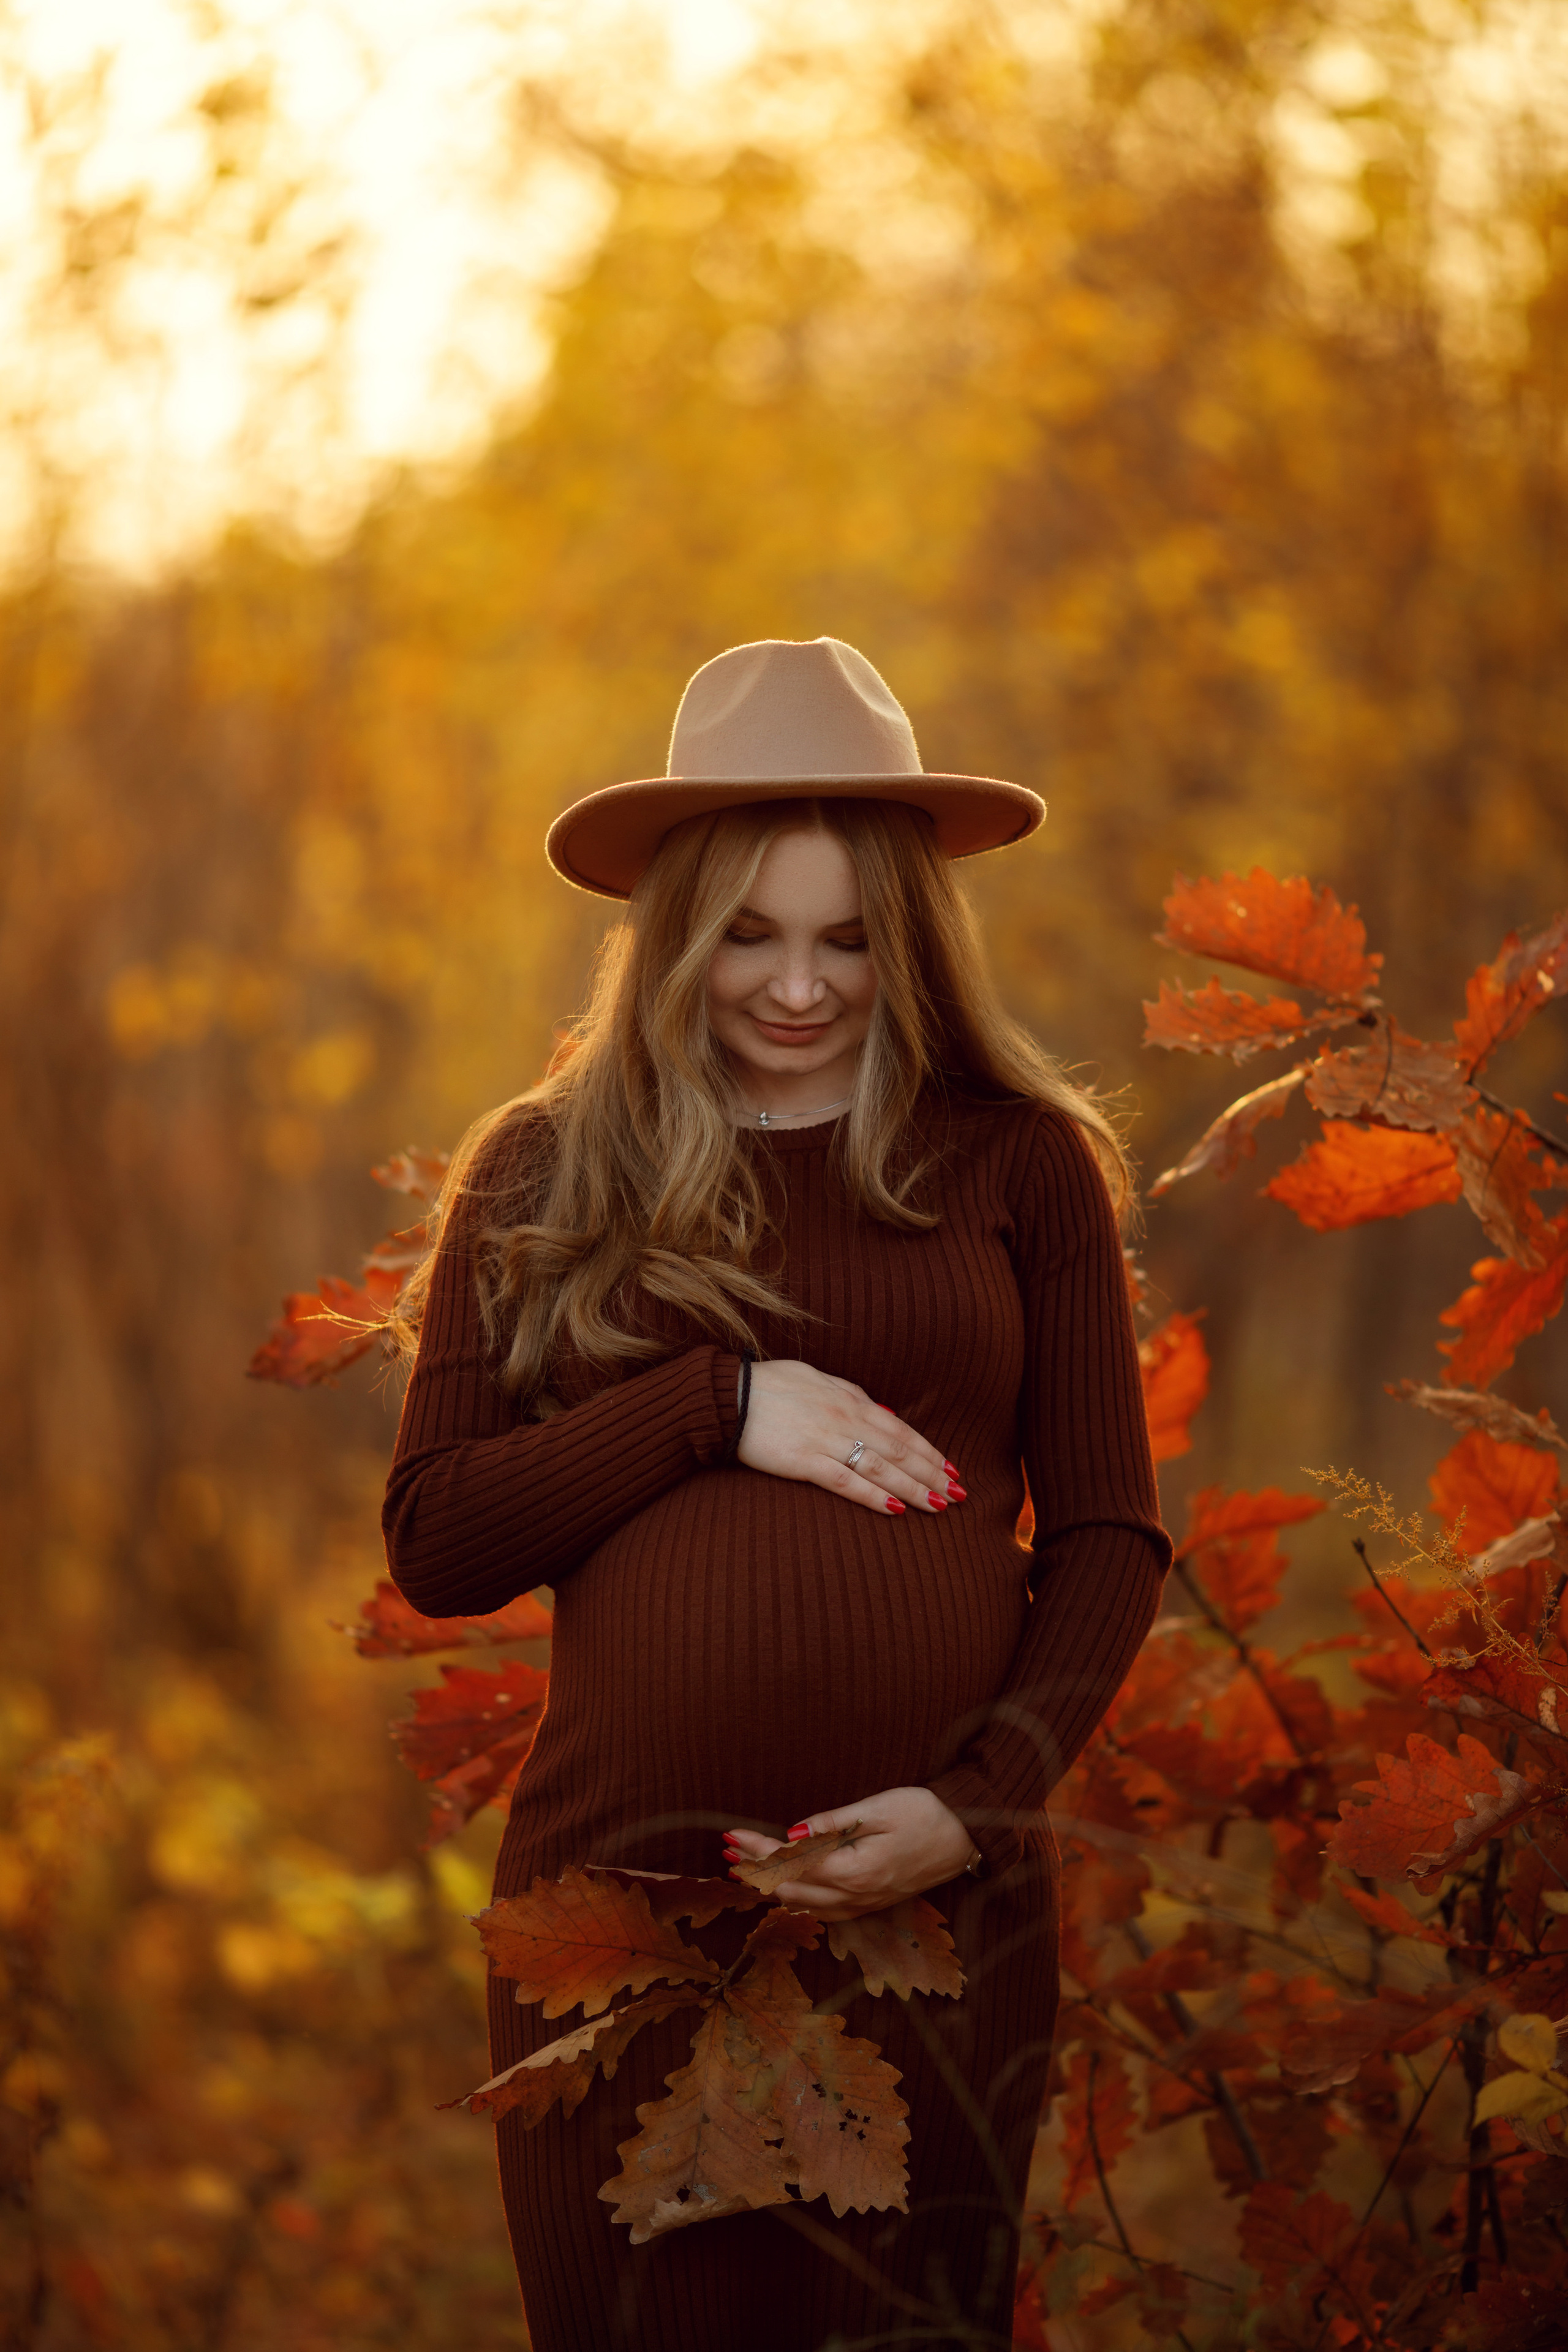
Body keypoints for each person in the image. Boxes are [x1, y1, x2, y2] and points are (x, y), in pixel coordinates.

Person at [382, 637, 1172, 2352]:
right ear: (674, 930)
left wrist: (984, 1805)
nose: (799, 986)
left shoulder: (1014, 1162)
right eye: (749, 934)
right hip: (623, 1923)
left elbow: (1110, 1536)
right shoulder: (540, 1163)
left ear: (913, 935)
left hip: (940, 1921)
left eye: (847, 939)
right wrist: (710, 1404)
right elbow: (438, 1540)